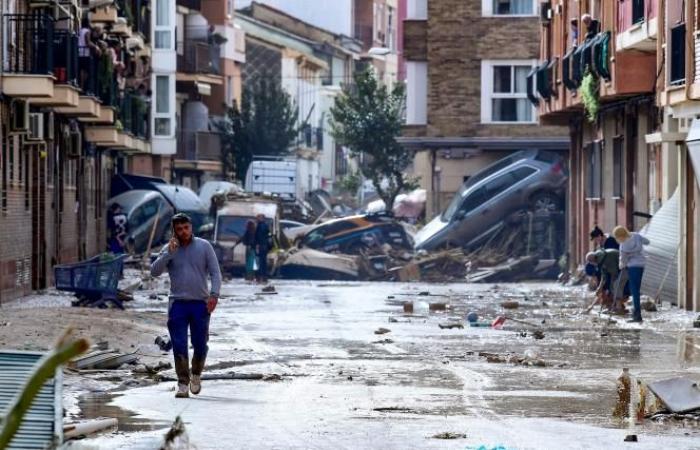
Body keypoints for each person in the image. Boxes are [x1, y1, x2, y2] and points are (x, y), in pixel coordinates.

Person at [150, 213, 222, 398]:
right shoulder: (169, 249)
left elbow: (215, 273)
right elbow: (154, 272)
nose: (183, 232)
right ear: (174, 231)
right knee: (179, 344)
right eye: (179, 229)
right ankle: (182, 382)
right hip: (178, 304)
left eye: (186, 228)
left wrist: (214, 295)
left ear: (191, 227)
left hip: (200, 304)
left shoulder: (204, 246)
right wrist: (168, 254)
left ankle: (196, 374)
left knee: (199, 343)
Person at [613, 225, 650, 323]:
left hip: (632, 267)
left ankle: (637, 316)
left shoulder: (623, 245)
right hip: (641, 265)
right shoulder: (636, 235)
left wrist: (621, 264)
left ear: (619, 236)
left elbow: (623, 261)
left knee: (634, 291)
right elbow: (647, 242)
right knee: (636, 290)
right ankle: (636, 314)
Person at [254, 214, 271, 283]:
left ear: (262, 218)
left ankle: (261, 277)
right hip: (264, 246)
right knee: (263, 261)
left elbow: (259, 236)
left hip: (262, 246)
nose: (257, 219)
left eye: (259, 218)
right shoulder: (265, 225)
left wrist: (257, 244)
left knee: (260, 262)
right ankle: (264, 276)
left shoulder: (261, 226)